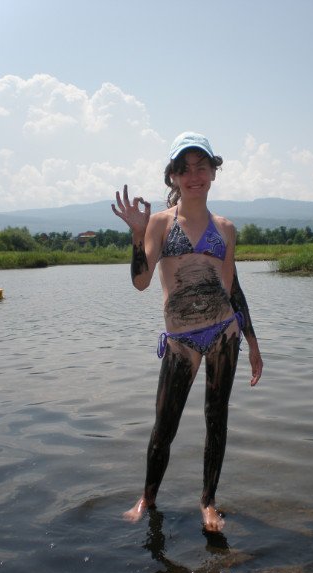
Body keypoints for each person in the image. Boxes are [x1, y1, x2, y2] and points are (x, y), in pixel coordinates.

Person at [112, 131, 263, 532]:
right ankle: (147, 498)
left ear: (213, 172)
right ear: (174, 176)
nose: (194, 176)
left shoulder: (225, 228)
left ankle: (208, 502)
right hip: (182, 341)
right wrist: (136, 235)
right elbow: (141, 282)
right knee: (165, 425)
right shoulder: (160, 223)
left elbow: (233, 288)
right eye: (185, 169)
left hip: (224, 333)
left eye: (202, 167)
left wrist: (252, 342)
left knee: (217, 418)